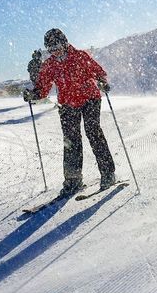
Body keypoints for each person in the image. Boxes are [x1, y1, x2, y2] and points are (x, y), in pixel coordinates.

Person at [34, 28, 116, 197]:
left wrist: (102, 82)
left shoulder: (80, 56)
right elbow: (42, 88)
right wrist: (33, 94)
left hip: (90, 99)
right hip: (67, 104)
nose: (54, 50)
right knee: (71, 140)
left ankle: (108, 174)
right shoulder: (49, 65)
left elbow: (98, 72)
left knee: (93, 132)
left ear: (64, 42)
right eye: (50, 48)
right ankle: (73, 181)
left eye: (56, 45)